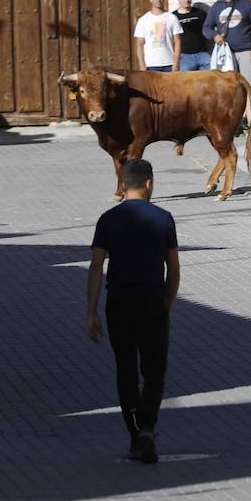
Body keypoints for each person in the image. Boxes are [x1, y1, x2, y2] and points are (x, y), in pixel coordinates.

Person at [86, 159, 180, 465]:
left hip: (119, 303)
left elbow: (97, 266)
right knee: (154, 370)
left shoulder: (107, 219)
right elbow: (174, 267)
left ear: (123, 184)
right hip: (152, 300)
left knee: (125, 370)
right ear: (149, 183)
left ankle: (134, 434)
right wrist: (169, 301)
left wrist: (92, 311)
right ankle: (148, 428)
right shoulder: (164, 218)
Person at [203, 0, 251, 130]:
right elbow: (206, 27)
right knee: (228, 90)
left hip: (245, 51)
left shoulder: (246, 5)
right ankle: (232, 125)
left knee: (249, 88)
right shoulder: (216, 7)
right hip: (226, 54)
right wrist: (214, 35)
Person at [132, 0, 183, 73]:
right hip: (151, 65)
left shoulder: (172, 18)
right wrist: (142, 64)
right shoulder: (143, 20)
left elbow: (178, 41)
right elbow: (139, 44)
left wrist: (176, 63)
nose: (158, 0)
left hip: (169, 64)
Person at [173, 0, 212, 72]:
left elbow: (208, 30)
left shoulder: (200, 13)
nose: (187, 0)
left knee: (211, 76)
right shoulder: (173, 17)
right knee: (186, 82)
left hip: (202, 54)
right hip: (184, 56)